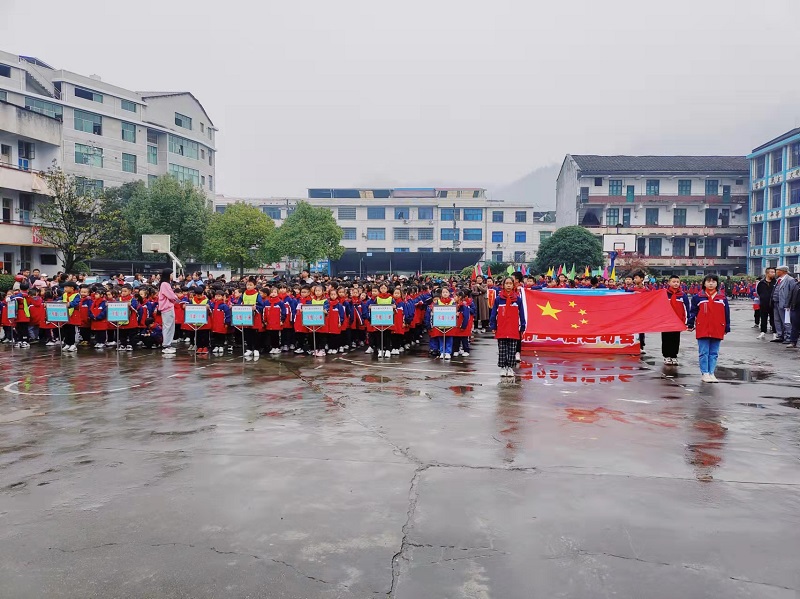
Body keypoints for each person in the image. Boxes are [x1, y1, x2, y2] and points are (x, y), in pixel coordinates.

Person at [689, 274, 730, 383]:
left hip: (717, 327)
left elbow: (726, 313)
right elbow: (693, 312)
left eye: (713, 281)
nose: (711, 283)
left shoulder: (722, 298)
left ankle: (711, 373)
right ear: (704, 283)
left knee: (714, 353)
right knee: (704, 352)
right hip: (703, 327)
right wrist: (690, 324)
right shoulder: (698, 297)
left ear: (717, 283)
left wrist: (727, 326)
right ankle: (705, 373)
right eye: (708, 281)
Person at [489, 276, 526, 378]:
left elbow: (522, 314)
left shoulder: (518, 300)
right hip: (502, 328)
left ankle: (510, 368)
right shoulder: (498, 299)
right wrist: (493, 326)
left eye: (510, 283)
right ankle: (503, 367)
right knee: (502, 349)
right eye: (507, 283)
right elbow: (493, 314)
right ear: (503, 285)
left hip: (513, 328)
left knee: (512, 349)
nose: (508, 285)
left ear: (513, 285)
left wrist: (522, 326)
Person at [661, 275, 690, 365]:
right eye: (674, 282)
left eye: (677, 282)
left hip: (678, 321)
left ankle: (674, 356)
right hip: (666, 321)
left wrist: (687, 320)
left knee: (675, 339)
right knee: (666, 339)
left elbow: (687, 308)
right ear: (669, 283)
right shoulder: (664, 294)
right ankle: (666, 356)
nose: (676, 283)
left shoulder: (682, 295)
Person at [771, 266, 796, 343]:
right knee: (777, 320)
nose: (776, 272)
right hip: (776, 302)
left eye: (778, 270)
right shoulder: (778, 279)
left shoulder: (790, 280)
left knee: (786, 321)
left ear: (783, 271)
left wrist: (789, 303)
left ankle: (788, 336)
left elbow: (793, 292)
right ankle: (780, 335)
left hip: (785, 304)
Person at [158, 268, 180, 354]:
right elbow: (171, 296)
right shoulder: (165, 284)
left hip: (167, 308)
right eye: (171, 274)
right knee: (168, 327)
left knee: (169, 326)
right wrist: (177, 299)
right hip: (167, 308)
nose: (172, 276)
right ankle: (166, 345)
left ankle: (168, 344)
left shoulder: (165, 284)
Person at [755, 267, 776, 340]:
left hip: (773, 304)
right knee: (763, 318)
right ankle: (763, 332)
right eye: (772, 272)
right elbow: (758, 292)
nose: (773, 274)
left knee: (773, 319)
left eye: (774, 272)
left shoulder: (776, 282)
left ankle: (775, 333)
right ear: (767, 273)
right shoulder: (761, 283)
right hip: (763, 304)